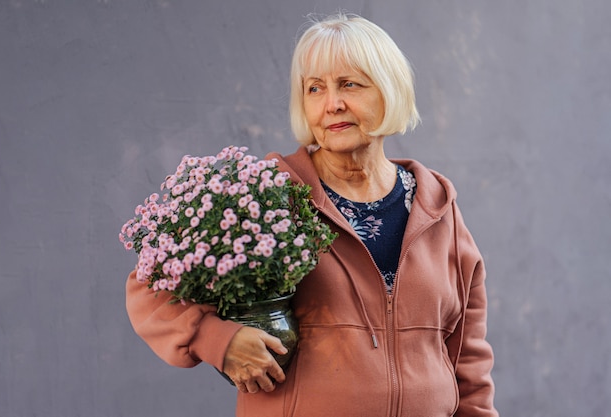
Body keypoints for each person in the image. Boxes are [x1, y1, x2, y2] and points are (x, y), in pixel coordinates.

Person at [126, 12, 499, 417]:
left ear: (390, 91)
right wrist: (219, 339)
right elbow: (149, 285)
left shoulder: (437, 208)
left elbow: (469, 362)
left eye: (350, 85)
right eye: (314, 88)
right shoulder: (268, 192)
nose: (332, 104)